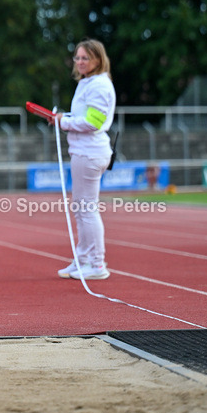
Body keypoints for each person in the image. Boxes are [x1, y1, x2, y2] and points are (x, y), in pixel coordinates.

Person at [53, 39, 117, 281]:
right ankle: (83, 259)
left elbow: (93, 122)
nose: (79, 62)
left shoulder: (99, 85)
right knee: (82, 209)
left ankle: (97, 264)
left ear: (98, 60)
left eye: (85, 58)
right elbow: (84, 116)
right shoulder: (88, 83)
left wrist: (64, 122)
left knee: (87, 209)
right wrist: (63, 117)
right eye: (77, 58)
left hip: (90, 152)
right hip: (84, 151)